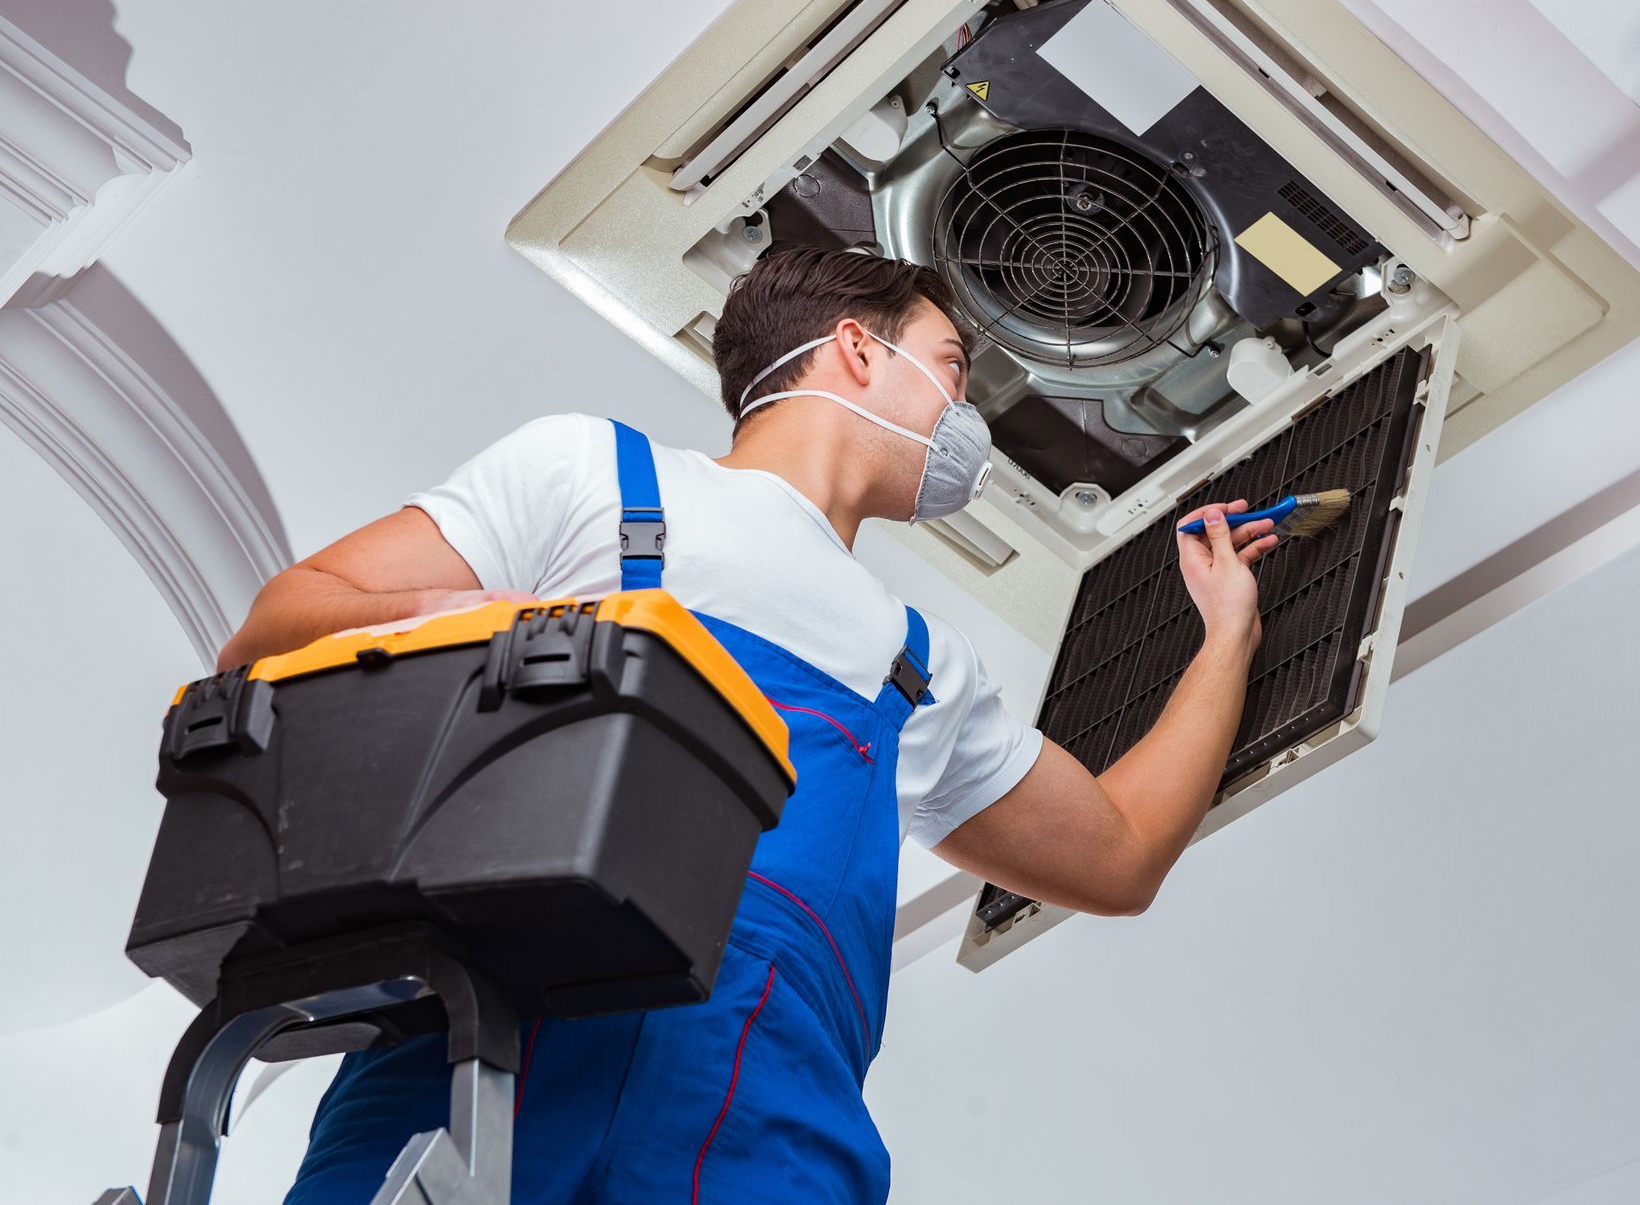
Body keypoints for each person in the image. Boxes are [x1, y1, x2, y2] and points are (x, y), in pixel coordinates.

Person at [220, 245, 1281, 1204]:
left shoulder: (921, 667)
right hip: (478, 1056)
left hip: (766, 1127)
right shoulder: (594, 476)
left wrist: (1225, 632)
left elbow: (1122, 852)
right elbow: (275, 633)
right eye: (952, 365)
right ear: (858, 350)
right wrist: (536, 629)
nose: (969, 413)